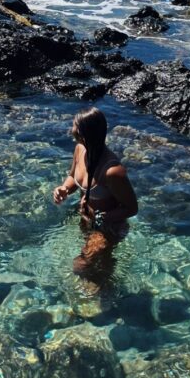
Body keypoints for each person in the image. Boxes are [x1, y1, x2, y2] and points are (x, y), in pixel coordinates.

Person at [52, 107, 138, 279]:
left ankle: (107, 289)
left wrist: (99, 218)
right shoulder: (80, 149)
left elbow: (132, 208)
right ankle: (104, 287)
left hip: (108, 227)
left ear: (83, 133)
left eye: (74, 125)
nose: (71, 129)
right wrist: (65, 189)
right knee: (99, 264)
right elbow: (73, 177)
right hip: (87, 220)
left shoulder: (112, 171)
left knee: (81, 266)